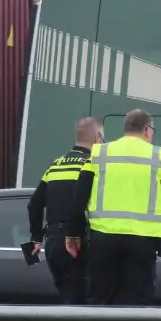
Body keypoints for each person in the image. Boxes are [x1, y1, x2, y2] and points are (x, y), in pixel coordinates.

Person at [67, 109, 161, 306]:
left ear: (125, 129)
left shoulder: (99, 153)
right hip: (143, 243)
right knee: (136, 303)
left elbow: (79, 198)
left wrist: (72, 235)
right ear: (148, 130)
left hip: (103, 240)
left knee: (99, 300)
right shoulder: (159, 157)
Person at [26, 117, 104, 305]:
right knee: (87, 302)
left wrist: (36, 238)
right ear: (97, 137)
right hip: (81, 242)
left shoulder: (56, 165)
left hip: (54, 244)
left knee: (68, 299)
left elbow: (34, 204)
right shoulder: (94, 165)